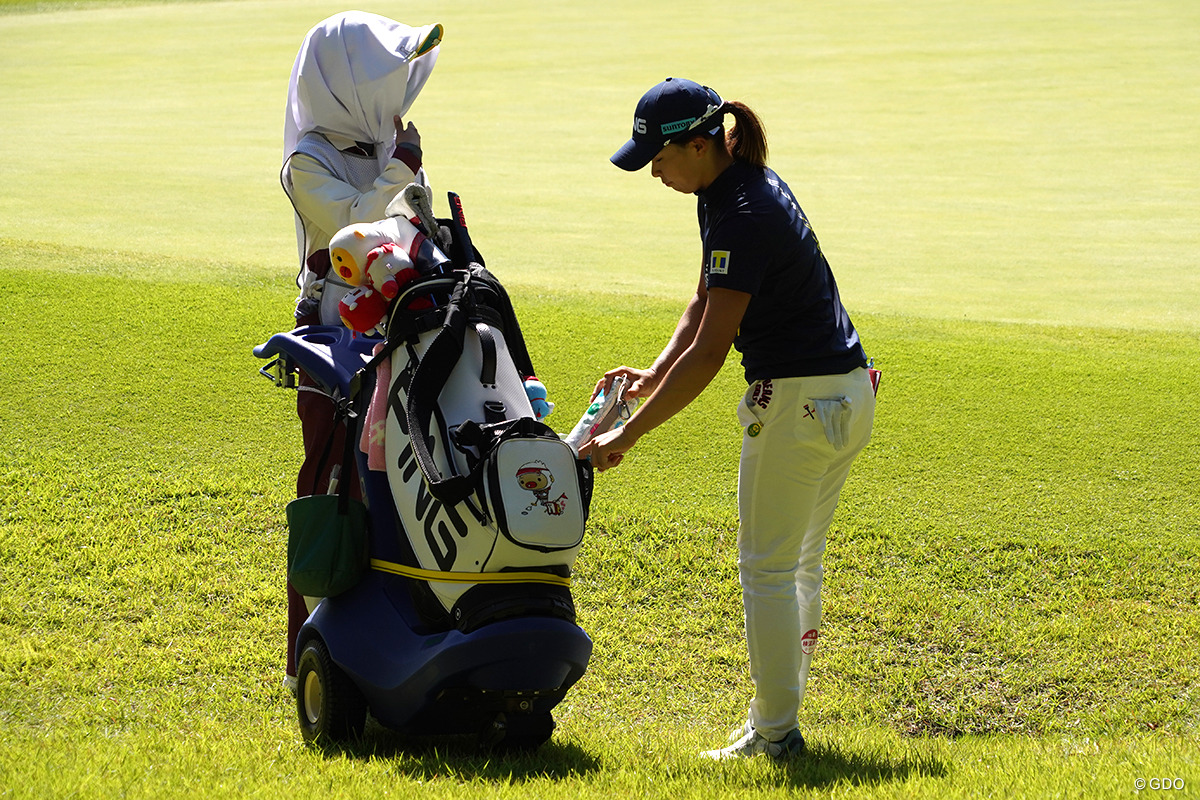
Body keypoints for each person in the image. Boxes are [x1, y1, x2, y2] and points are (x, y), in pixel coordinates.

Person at [580, 77, 877, 760]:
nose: (654, 170)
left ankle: (775, 734)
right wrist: (655, 370)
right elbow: (703, 301)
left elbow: (713, 352)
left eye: (659, 156)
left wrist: (630, 433)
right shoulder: (735, 188)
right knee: (798, 566)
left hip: (798, 404)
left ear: (698, 142)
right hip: (846, 391)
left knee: (767, 572)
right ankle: (779, 721)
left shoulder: (740, 211)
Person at [279, 11, 442, 691]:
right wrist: (402, 169)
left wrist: (406, 174)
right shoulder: (305, 162)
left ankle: (391, 651)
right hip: (333, 346)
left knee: (396, 492)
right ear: (344, 83)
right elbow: (353, 227)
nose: (395, 99)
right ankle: (310, 659)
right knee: (331, 494)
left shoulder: (385, 147)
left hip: (398, 335)